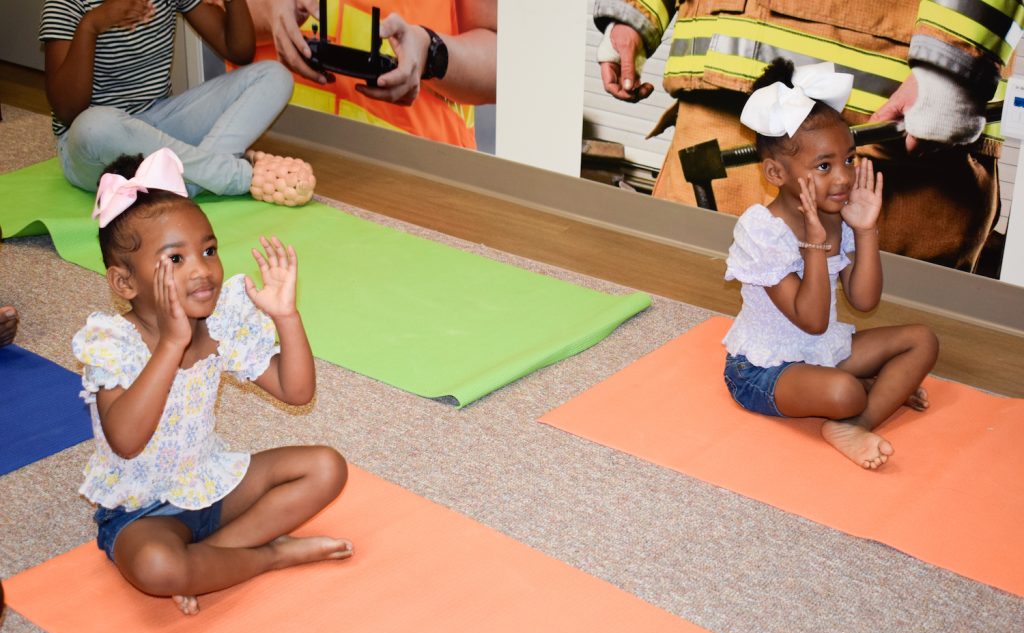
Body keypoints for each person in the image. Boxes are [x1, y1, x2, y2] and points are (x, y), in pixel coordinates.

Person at [73, 148, 351, 615]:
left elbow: (296, 391)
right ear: (124, 283)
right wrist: (170, 346)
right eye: (175, 259)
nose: (202, 269)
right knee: (158, 568)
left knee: (327, 467)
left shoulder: (221, 321)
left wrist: (287, 316)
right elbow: (125, 440)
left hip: (212, 481)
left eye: (208, 250)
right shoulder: (112, 340)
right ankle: (268, 556)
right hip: (142, 508)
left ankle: (213, 557)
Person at [593, 0, 1017, 274]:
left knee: (884, 358)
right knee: (680, 329)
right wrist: (635, 14)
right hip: (715, 114)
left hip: (897, 139)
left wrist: (949, 69)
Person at [722, 60, 939, 469]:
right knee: (844, 392)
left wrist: (867, 229)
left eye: (849, 160)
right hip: (763, 370)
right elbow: (813, 319)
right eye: (824, 166)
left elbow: (864, 299)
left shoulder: (837, 213)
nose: (842, 177)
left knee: (922, 340)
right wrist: (815, 246)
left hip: (822, 351)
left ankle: (855, 423)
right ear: (775, 172)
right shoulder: (760, 230)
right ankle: (865, 397)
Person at [39, 0, 315, 206]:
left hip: (160, 121)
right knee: (94, 125)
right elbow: (67, 112)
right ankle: (231, 176)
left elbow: (238, 51)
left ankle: (191, 183)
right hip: (93, 149)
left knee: (274, 76)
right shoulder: (66, 3)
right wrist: (91, 25)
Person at [245, 0, 496, 148]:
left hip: (417, 177)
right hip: (270, 165)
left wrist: (429, 53)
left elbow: (500, 62)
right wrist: (269, 11)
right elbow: (213, 16)